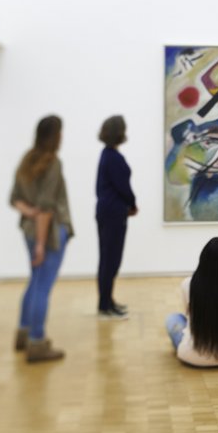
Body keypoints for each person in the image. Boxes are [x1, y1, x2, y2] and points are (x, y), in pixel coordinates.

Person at [10, 115, 74, 363]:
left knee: (35, 281)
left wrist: (29, 211)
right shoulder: (52, 163)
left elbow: (14, 198)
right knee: (43, 287)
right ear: (55, 135)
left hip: (28, 229)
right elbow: (47, 207)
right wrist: (40, 242)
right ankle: (37, 342)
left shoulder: (27, 160)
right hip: (47, 234)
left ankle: (23, 333)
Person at [165, 237, 218, 367]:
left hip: (193, 356)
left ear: (203, 258)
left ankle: (193, 346)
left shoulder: (188, 284)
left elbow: (189, 315)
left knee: (172, 318)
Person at [95, 115, 137, 319]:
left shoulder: (107, 154)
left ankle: (107, 301)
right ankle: (104, 306)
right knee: (111, 259)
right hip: (113, 213)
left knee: (108, 258)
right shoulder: (113, 158)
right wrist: (133, 204)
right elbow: (123, 187)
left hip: (107, 212)